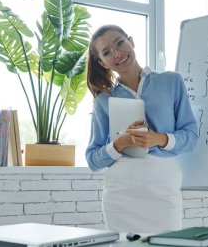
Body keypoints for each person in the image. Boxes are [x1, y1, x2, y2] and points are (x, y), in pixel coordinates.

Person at [85, 24, 198, 233]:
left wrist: (158, 139)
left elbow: (190, 136)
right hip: (121, 194)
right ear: (102, 63)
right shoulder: (104, 100)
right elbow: (93, 159)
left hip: (163, 189)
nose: (117, 53)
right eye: (107, 52)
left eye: (120, 43)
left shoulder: (171, 81)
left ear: (131, 41)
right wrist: (119, 144)